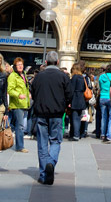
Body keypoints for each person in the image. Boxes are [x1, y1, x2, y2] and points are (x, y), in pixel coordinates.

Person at [31, 50, 72, 185]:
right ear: (58, 62)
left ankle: (43, 174)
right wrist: (64, 105)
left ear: (46, 62)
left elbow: (33, 92)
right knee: (55, 141)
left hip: (41, 113)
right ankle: (51, 162)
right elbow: (69, 95)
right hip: (57, 114)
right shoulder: (63, 76)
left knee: (42, 144)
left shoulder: (39, 76)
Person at [8, 56, 30, 152]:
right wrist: (18, 95)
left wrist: (28, 94)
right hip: (17, 104)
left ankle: (19, 144)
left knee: (19, 125)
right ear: (15, 66)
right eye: (18, 65)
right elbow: (10, 90)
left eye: (21, 64)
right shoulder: (13, 76)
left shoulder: (24, 74)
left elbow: (25, 88)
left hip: (24, 103)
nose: (20, 66)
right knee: (20, 126)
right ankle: (20, 146)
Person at [98, 65, 111, 141]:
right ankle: (109, 134)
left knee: (103, 117)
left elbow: (100, 87)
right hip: (110, 98)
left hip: (102, 97)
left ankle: (103, 134)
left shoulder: (101, 77)